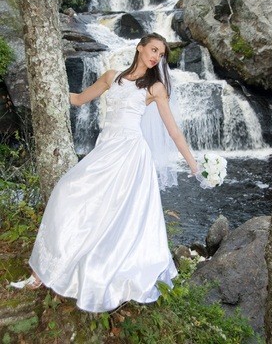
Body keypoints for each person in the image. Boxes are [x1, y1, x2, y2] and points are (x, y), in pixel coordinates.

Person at [11, 32, 198, 313]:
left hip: (131, 156)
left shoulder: (155, 88)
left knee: (116, 217)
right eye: (153, 49)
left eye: (161, 54)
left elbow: (173, 131)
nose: (156, 56)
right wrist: (47, 88)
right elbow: (77, 100)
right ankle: (45, 272)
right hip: (104, 152)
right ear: (139, 47)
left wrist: (195, 165)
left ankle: (103, 275)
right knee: (66, 192)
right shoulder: (112, 77)